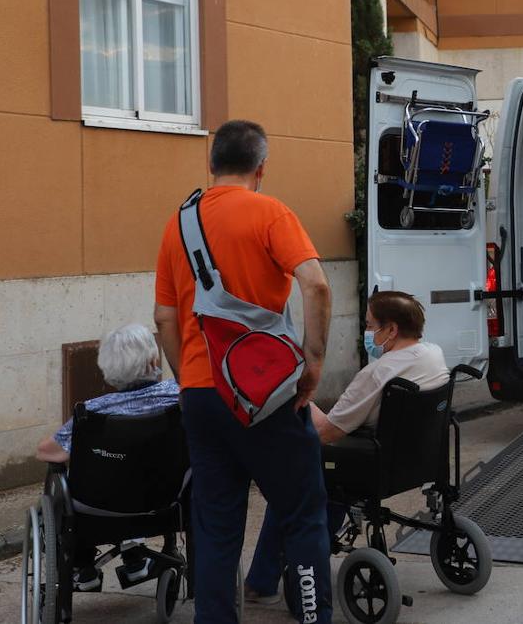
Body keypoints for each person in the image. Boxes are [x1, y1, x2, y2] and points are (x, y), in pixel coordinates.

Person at [153, 120, 333, 623]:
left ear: (211, 165)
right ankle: (314, 616)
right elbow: (315, 286)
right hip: (266, 395)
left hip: (201, 397)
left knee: (214, 526)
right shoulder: (271, 212)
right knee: (300, 512)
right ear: (261, 168)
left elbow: (164, 318)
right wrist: (313, 364)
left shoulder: (178, 224)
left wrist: (189, 379)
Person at [244, 291, 449, 602]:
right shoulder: (434, 355)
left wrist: (298, 400)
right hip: (416, 461)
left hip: (370, 462)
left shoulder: (378, 373)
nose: (367, 333)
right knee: (325, 476)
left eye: (369, 326)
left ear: (391, 330)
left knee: (290, 478)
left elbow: (326, 433)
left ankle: (263, 580)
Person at [35, 323, 181, 591]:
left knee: (67, 482)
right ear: (154, 359)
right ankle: (135, 557)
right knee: (140, 473)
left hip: (102, 509)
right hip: (168, 502)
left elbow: (46, 451)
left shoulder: (92, 413)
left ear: (108, 369)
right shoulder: (178, 397)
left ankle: (82, 565)